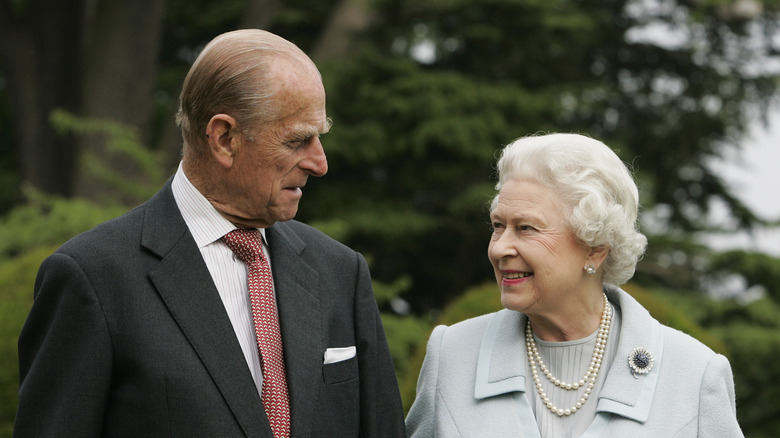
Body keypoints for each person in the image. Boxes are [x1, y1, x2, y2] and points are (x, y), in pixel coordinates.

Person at [15, 29, 405, 437]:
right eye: (298, 140)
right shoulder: (92, 277)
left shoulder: (341, 272)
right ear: (223, 138)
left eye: (319, 138)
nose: (320, 163)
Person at [405, 133, 743, 437]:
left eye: (526, 228)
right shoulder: (452, 355)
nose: (499, 248)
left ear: (595, 246)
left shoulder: (694, 374)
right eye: (498, 225)